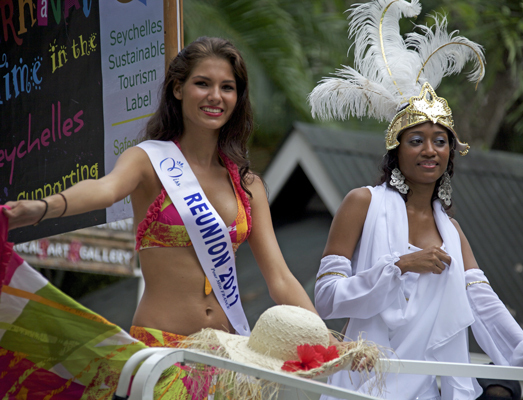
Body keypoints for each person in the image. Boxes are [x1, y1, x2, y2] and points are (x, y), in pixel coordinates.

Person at [1, 36, 320, 398]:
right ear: (178, 89)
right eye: (203, 83)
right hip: (162, 354)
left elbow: (280, 279)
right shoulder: (147, 161)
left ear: (238, 98)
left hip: (229, 360)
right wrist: (43, 207)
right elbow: (105, 190)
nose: (216, 96)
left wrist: (327, 344)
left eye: (227, 87)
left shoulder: (248, 185)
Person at [308, 1, 523, 399]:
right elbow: (326, 298)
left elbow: (481, 300)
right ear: (396, 152)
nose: (429, 150)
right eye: (416, 141)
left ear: (451, 152)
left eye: (440, 141)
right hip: (366, 384)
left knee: (504, 389)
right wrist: (399, 265)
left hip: (431, 386)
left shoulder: (452, 230)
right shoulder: (362, 202)